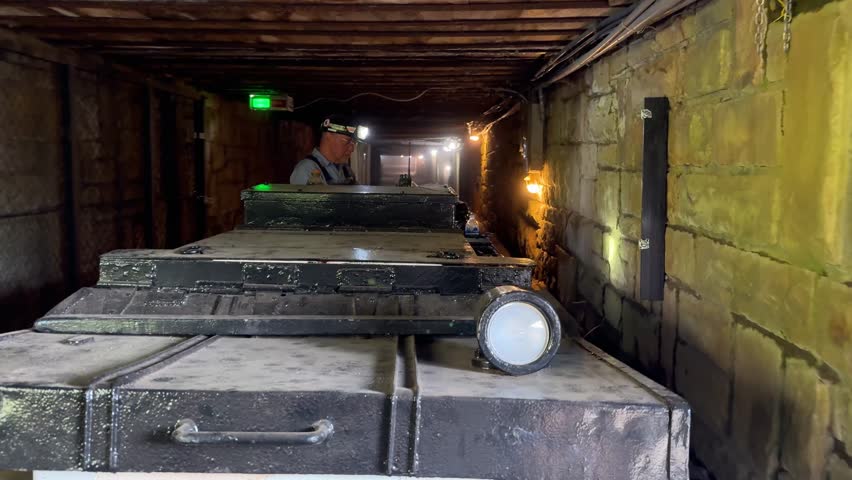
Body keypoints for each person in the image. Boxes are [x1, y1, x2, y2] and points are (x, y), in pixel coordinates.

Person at [290, 114, 364, 185]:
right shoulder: (306, 170)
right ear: (328, 136)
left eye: (354, 143)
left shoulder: (347, 171)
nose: (352, 149)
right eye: (347, 141)